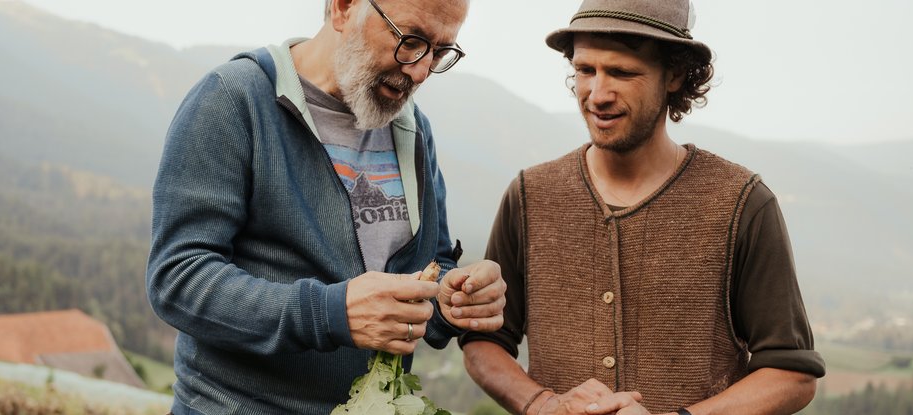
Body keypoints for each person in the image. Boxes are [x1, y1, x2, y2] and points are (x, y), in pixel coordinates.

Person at [459, 0, 825, 414]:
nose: (597, 94)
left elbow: (793, 374)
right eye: (585, 70)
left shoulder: (742, 204)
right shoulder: (530, 195)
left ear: (675, 74)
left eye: (622, 72)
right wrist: (542, 405)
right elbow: (483, 339)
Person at [145, 0, 505, 413]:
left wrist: (454, 296)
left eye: (440, 53)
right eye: (410, 40)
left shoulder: (413, 128)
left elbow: (432, 264)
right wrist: (331, 313)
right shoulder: (233, 99)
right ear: (343, 8)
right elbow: (178, 279)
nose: (421, 71)